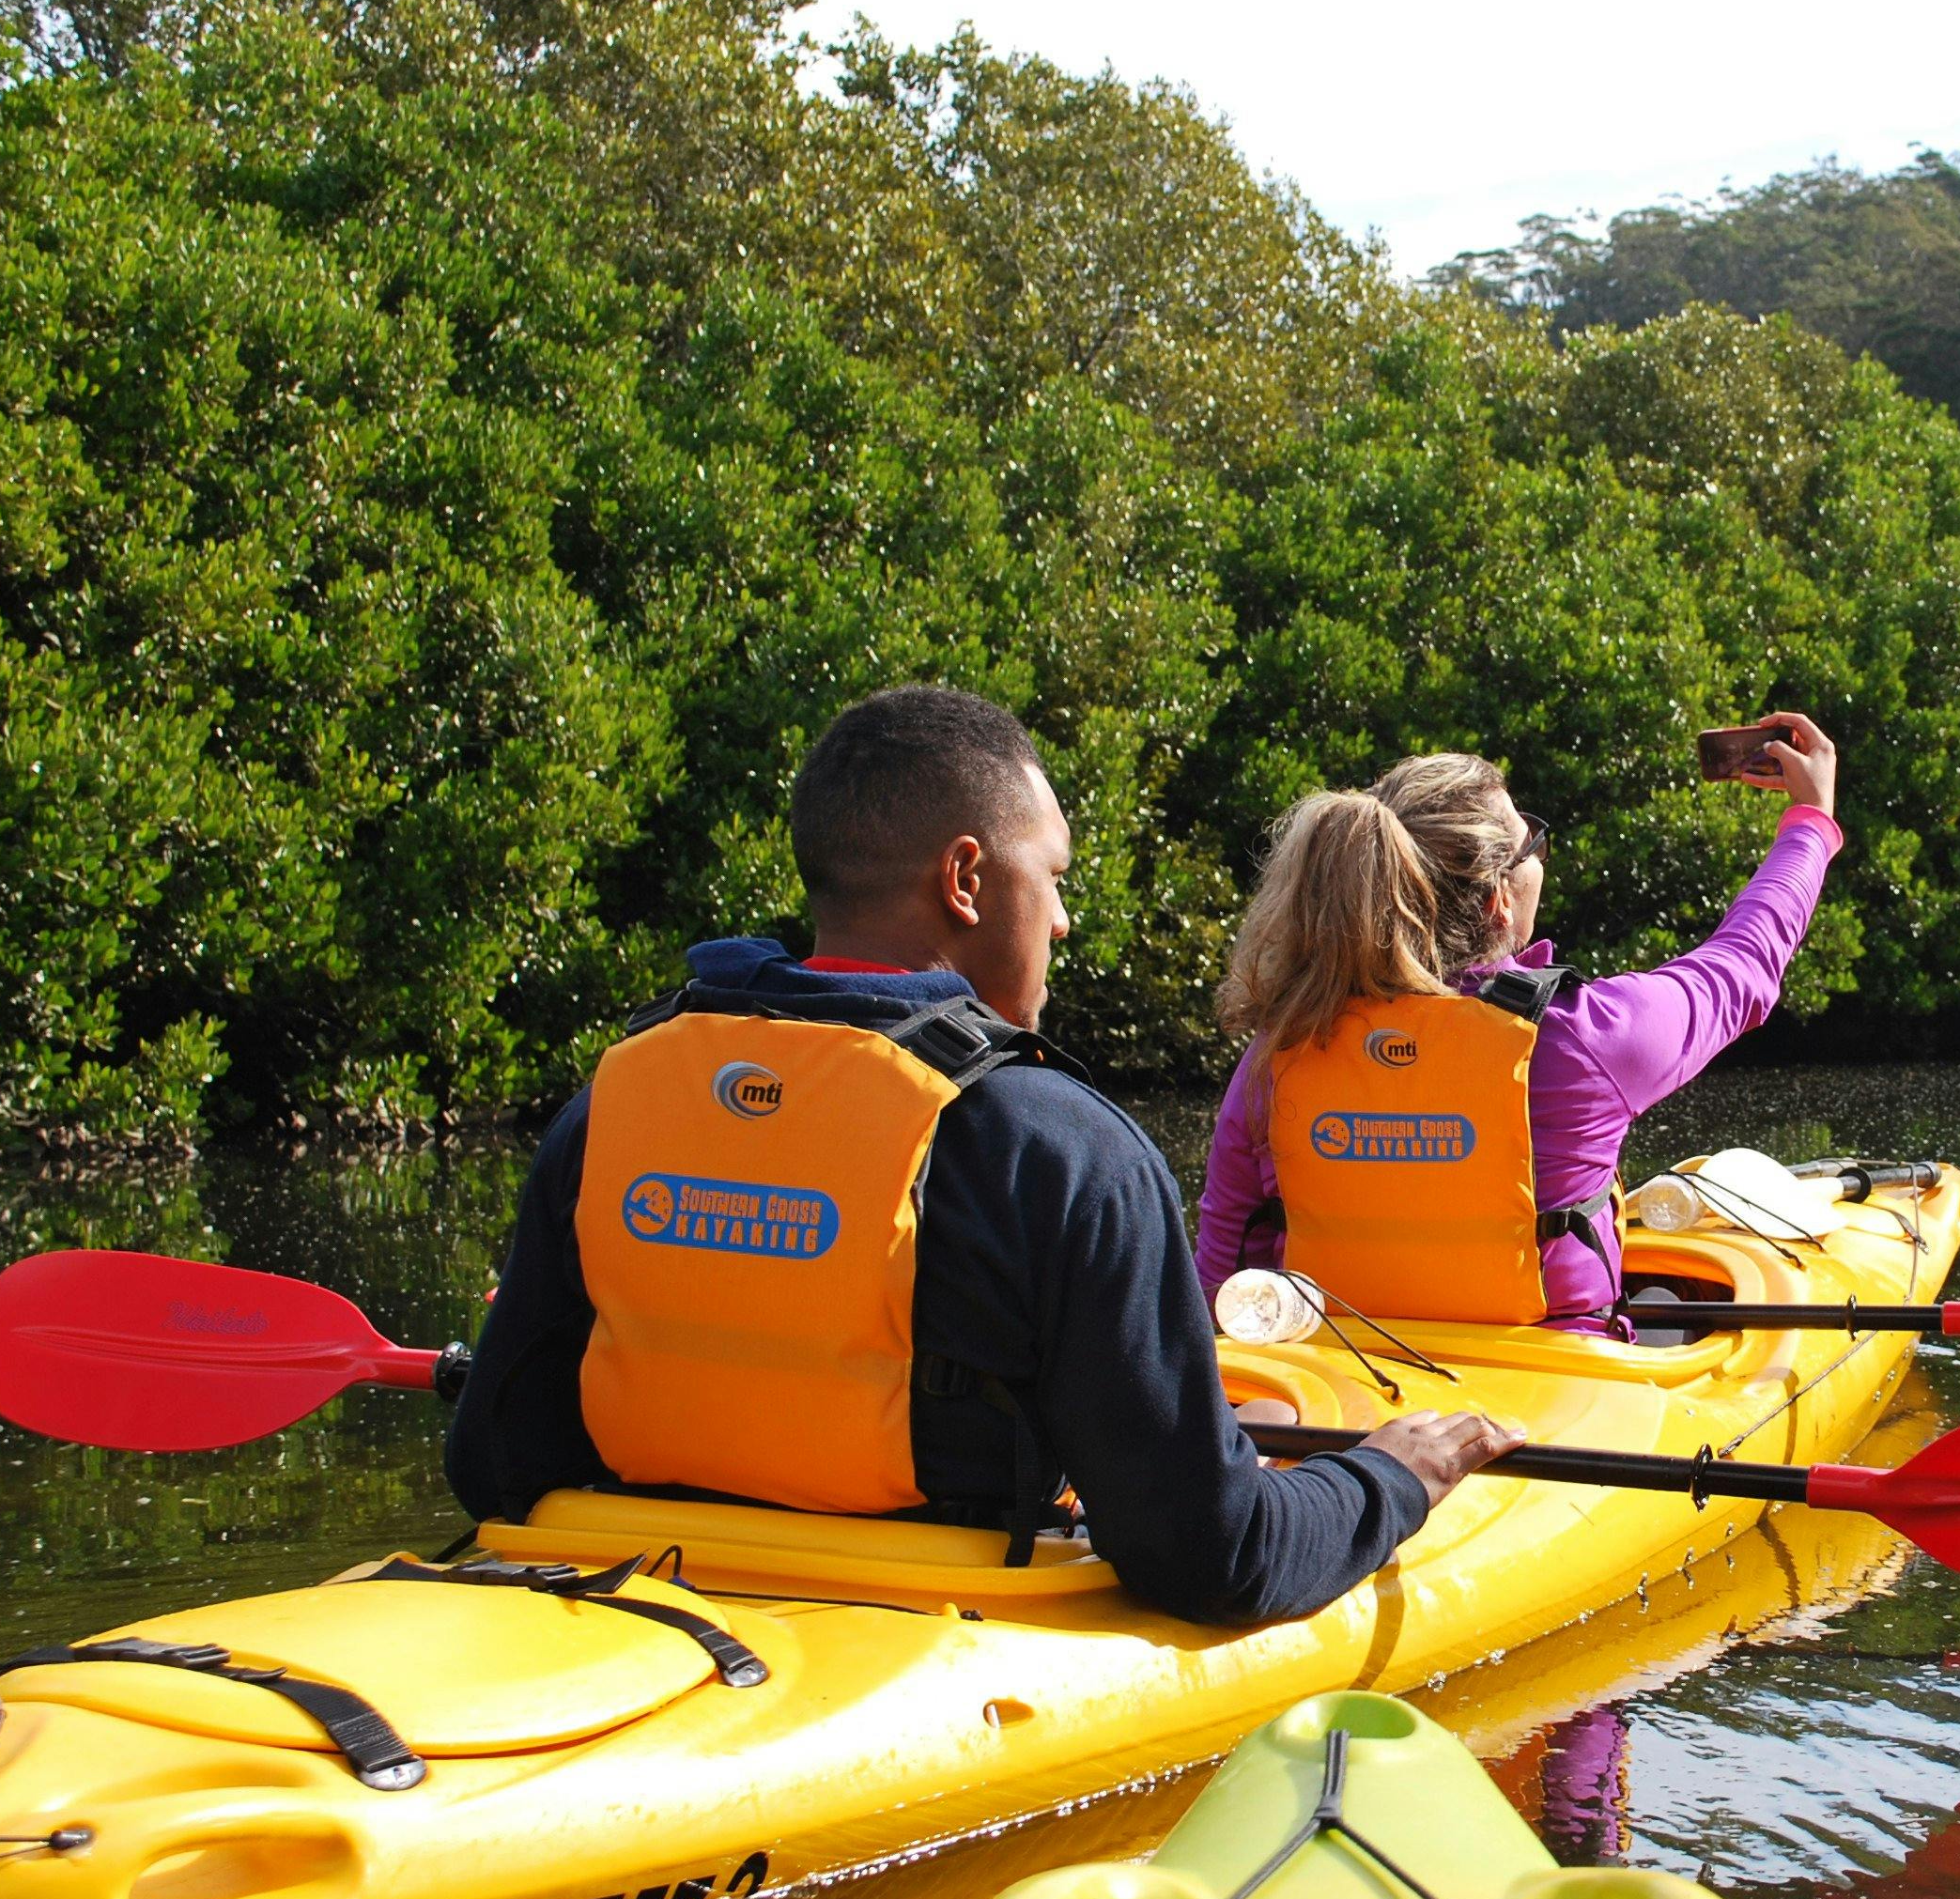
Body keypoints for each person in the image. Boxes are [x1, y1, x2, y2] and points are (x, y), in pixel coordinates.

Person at [446, 684, 1515, 1625]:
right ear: (965, 878)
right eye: (1049, 877)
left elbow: (498, 1465)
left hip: (626, 1590)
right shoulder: (1059, 1150)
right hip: (932, 1623)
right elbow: (1215, 1558)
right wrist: (1390, 1478)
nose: (1058, 920)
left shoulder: (616, 1103)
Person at [1194, 712, 1841, 1326]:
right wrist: (1809, 823)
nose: (1542, 856)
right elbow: (1745, 965)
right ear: (1501, 900)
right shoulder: (1584, 1036)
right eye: (1532, 841)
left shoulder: (1282, 1049)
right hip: (1552, 1396)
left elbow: (1220, 1268)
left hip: (1339, 1390)